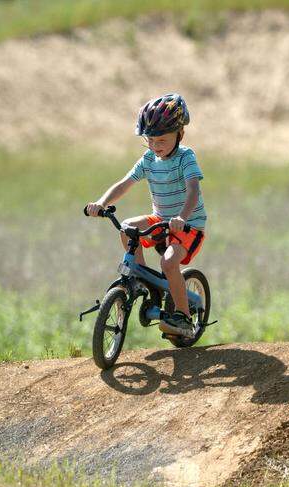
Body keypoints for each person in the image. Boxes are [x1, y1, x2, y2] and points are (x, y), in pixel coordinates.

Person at [85, 93, 207, 338]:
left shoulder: (186, 157)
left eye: (161, 139)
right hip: (161, 220)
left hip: (188, 225)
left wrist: (182, 218)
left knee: (169, 262)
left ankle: (182, 316)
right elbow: (123, 184)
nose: (155, 145)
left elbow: (193, 190)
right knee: (126, 227)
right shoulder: (149, 159)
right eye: (150, 139)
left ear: (180, 135)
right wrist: (101, 203)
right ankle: (142, 280)